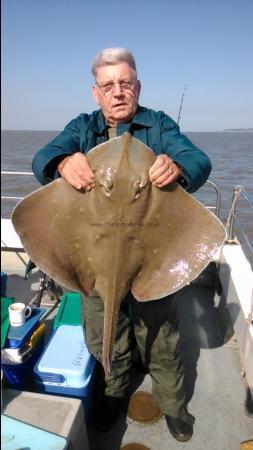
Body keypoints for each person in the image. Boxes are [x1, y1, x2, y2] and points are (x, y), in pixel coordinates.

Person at [32, 48, 211, 442]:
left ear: (137, 87)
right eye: (108, 85)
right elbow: (42, 159)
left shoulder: (159, 125)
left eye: (125, 83)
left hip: (150, 256)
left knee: (162, 339)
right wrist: (62, 164)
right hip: (94, 259)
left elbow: (199, 162)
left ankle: (174, 405)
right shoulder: (82, 127)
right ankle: (113, 393)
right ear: (96, 93)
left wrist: (179, 167)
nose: (118, 92)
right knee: (105, 334)